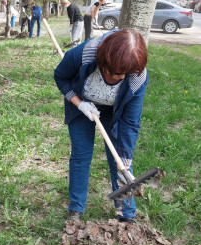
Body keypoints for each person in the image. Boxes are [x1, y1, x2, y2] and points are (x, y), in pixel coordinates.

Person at [53, 28, 148, 223]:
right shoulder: (83, 54)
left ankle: (126, 215)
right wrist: (79, 104)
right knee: (81, 155)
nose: (115, 78)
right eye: (112, 72)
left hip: (114, 112)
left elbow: (131, 122)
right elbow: (61, 78)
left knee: (119, 161)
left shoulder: (137, 75)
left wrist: (126, 159)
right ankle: (75, 210)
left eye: (122, 75)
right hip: (83, 104)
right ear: (104, 60)